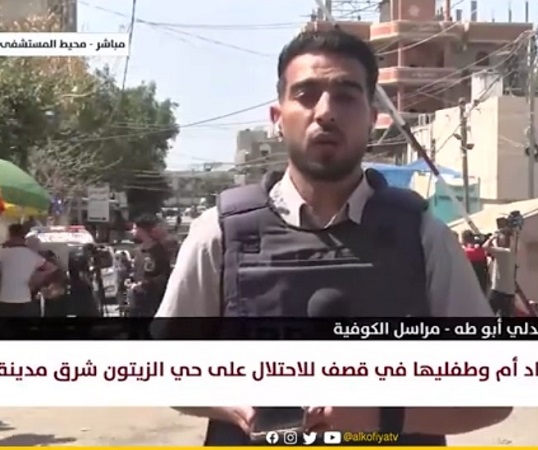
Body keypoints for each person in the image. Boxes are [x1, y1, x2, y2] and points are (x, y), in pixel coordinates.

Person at [156, 29, 511, 446]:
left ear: (372, 117)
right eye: (306, 94)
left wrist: (382, 418)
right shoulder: (219, 232)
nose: (325, 112)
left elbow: (492, 397)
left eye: (345, 95)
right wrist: (237, 406)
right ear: (277, 117)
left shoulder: (423, 236)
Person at [129, 215, 171, 336]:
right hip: (137, 300)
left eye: (135, 228)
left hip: (152, 301)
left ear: (142, 230)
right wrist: (130, 281)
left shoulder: (158, 251)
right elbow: (136, 272)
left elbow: (164, 275)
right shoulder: (138, 251)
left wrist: (145, 284)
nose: (132, 231)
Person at [484, 218, 517, 317]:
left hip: (498, 290)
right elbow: (512, 239)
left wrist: (493, 237)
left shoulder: (502, 252)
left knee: (488, 313)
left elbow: (485, 246)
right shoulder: (511, 252)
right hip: (510, 292)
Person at [461, 230, 489, 295]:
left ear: (464, 239)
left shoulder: (466, 252)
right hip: (483, 276)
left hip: (473, 280)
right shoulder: (480, 249)